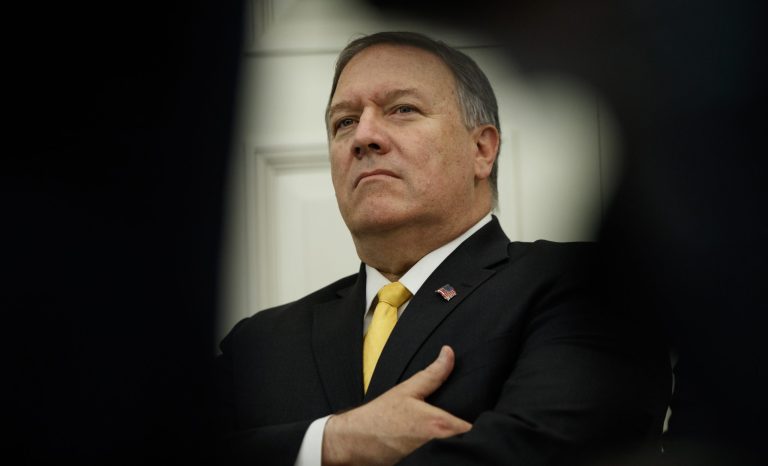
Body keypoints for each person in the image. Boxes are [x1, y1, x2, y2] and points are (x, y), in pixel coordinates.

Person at [214, 31, 671, 466]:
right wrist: (331, 443)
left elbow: (550, 450)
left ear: (482, 149)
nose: (363, 137)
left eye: (402, 109)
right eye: (345, 121)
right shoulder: (258, 344)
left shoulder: (588, 286)